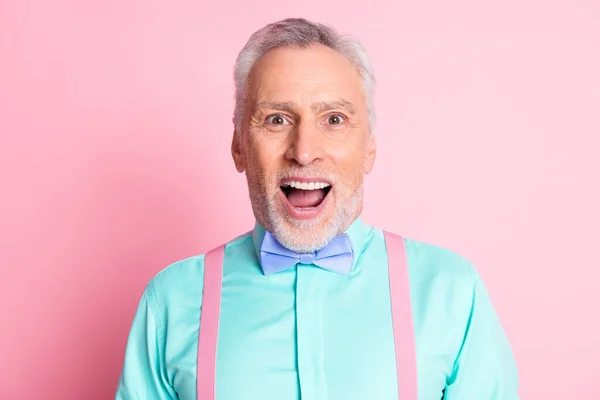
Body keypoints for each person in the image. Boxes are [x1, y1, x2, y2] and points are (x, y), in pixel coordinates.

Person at [115, 18, 518, 400]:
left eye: (334, 119)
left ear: (370, 148)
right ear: (239, 146)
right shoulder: (171, 301)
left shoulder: (451, 293)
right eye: (276, 119)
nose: (304, 152)